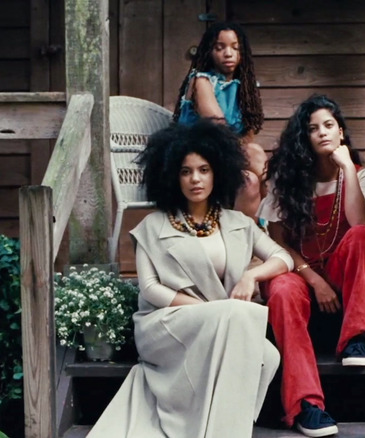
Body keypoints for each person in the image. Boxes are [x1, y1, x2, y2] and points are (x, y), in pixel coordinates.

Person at [88, 121, 291, 438]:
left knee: (269, 355)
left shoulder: (238, 222)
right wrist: (208, 312)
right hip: (167, 323)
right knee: (239, 316)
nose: (195, 179)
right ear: (171, 175)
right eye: (185, 171)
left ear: (218, 172)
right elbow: (151, 288)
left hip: (222, 322)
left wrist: (252, 275)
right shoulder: (153, 225)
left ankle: (221, 426)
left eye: (204, 169)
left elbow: (284, 258)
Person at [260, 95, 365, 437]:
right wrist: (313, 279)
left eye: (329, 125)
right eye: (313, 129)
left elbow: (359, 221)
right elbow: (278, 243)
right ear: (304, 139)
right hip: (302, 273)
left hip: (344, 272)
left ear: (341, 132)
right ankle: (306, 404)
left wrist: (346, 169)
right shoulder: (289, 182)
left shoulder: (359, 174)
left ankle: (358, 338)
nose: (322, 133)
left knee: (360, 236)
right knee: (279, 289)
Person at [173, 22, 267, 219]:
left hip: (228, 156)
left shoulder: (243, 88)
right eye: (220, 47)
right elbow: (218, 126)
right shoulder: (201, 80)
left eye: (235, 47)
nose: (228, 53)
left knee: (251, 179)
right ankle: (264, 228)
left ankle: (254, 233)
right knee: (255, 155)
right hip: (195, 153)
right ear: (209, 51)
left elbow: (248, 135)